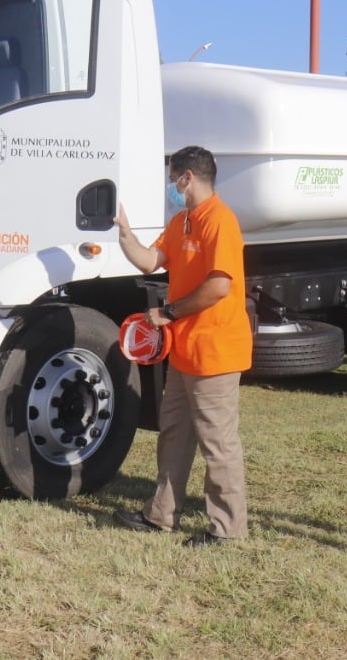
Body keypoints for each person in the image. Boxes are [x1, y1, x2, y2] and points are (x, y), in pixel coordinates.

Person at [111, 146, 254, 547]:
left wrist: (169, 312)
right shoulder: (182, 221)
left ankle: (226, 530)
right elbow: (148, 260)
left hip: (216, 352)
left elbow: (219, 286)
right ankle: (161, 515)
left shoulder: (220, 222)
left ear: (186, 178)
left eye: (173, 176)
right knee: (173, 434)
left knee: (217, 443)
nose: (170, 185)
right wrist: (123, 232)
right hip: (185, 351)